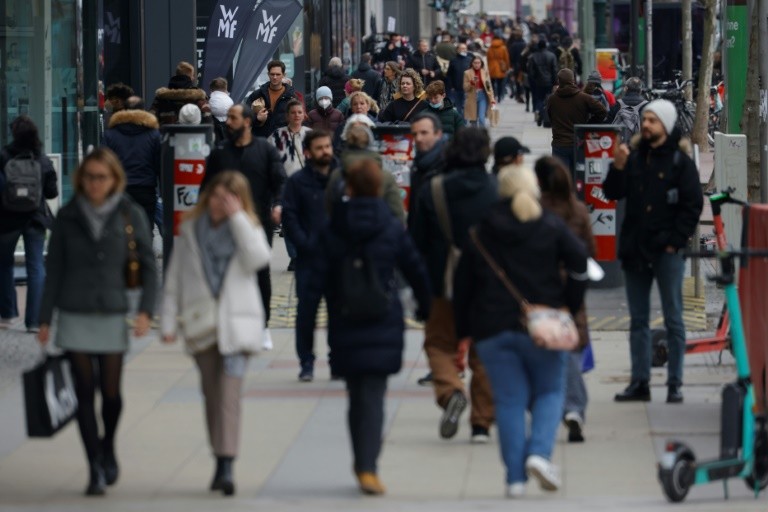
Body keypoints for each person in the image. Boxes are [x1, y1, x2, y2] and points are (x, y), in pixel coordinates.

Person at [453, 139, 588, 501]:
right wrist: (569, 306)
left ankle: (514, 479)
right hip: (544, 324)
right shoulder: (550, 225)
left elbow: (462, 285)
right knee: (549, 391)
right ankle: (540, 455)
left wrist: (463, 333)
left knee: (510, 402)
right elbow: (580, 264)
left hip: (493, 329)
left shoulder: (482, 229)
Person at [305, 157, 431, 496]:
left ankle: (361, 461)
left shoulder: (332, 229)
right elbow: (416, 269)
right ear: (377, 187)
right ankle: (368, 467)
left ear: (347, 188)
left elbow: (311, 287)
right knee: (373, 397)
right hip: (382, 319)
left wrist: (306, 343)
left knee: (355, 396)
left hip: (345, 319)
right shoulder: (390, 227)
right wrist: (426, 309)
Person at [37, 148, 157, 496]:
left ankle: (108, 447)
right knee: (84, 393)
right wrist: (44, 317)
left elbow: (148, 266)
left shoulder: (129, 213)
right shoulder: (68, 216)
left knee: (112, 394)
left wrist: (146, 311)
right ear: (81, 179)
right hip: (74, 312)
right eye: (89, 177)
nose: (94, 184)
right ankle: (94, 467)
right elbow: (54, 269)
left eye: (101, 177)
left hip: (113, 312)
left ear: (114, 179)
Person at [161, 171, 270, 497]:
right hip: (202, 325)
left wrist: (237, 217)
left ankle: (227, 464)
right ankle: (219, 454)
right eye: (216, 196)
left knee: (229, 396)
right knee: (212, 396)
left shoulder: (247, 228)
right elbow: (174, 278)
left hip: (237, 325)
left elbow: (259, 258)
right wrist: (167, 323)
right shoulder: (191, 229)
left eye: (227, 198)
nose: (219, 204)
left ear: (238, 200)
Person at [603, 99, 703, 404]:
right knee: (638, 320)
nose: (646, 125)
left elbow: (692, 204)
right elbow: (612, 192)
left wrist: (675, 240)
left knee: (673, 317)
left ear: (666, 125)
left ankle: (675, 383)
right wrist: (617, 167)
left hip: (666, 251)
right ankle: (640, 382)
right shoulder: (632, 158)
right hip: (635, 249)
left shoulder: (679, 162)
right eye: (645, 119)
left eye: (653, 120)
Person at [410, 127, 496, 443]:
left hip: (442, 283)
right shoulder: (497, 190)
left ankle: (450, 391)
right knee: (485, 353)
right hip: (487, 287)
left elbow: (416, 244)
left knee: (438, 344)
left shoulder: (432, 190)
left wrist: (418, 291)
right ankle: (482, 424)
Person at [203, 104, 287, 352]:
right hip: (224, 226)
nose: (228, 122)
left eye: (233, 118)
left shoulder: (265, 150)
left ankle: (263, 326)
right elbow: (207, 187)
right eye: (228, 117)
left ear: (248, 122)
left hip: (258, 224)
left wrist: (279, 205)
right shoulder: (220, 153)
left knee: (260, 273)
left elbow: (280, 181)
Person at [534, 156, 596, 443]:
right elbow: (590, 248)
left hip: (541, 285)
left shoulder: (535, 209)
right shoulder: (578, 209)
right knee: (569, 346)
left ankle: (547, 405)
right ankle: (574, 407)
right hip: (572, 284)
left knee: (541, 347)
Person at [282, 130, 337, 381]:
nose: (325, 151)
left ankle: (338, 360)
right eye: (319, 148)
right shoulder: (297, 182)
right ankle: (306, 362)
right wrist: (304, 244)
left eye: (327, 146)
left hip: (338, 259)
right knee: (306, 314)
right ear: (308, 152)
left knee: (340, 313)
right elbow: (289, 217)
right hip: (309, 259)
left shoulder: (343, 178)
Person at [0, 116, 58, 331]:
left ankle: (7, 314)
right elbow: (53, 193)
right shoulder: (42, 160)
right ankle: (34, 321)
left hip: (7, 220)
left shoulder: (4, 156)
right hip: (35, 219)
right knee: (36, 267)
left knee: (4, 265)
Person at [327, 123, 405, 224]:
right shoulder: (385, 176)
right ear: (371, 143)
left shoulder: (336, 175)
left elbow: (329, 211)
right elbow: (398, 215)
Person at [102, 102, 162, 232]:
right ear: (143, 110)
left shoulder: (111, 134)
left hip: (119, 189)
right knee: (145, 229)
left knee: (120, 229)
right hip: (146, 188)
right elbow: (159, 165)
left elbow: (105, 163)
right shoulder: (153, 135)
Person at [546, 69, 607, 172]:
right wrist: (588, 124)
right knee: (578, 177)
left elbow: (549, 117)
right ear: (573, 80)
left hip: (559, 144)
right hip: (578, 143)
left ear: (559, 81)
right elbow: (602, 111)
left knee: (561, 177)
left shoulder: (552, 99)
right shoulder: (583, 98)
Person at [246, 60, 298, 138]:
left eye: (278, 74)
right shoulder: (257, 94)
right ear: (268, 74)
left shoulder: (291, 96)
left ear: (284, 75)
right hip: (261, 140)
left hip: (282, 140)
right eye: (272, 74)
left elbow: (298, 118)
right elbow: (245, 116)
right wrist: (257, 119)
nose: (275, 77)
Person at [150, 61, 210, 126]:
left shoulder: (162, 96)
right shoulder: (198, 96)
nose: (193, 78)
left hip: (167, 134)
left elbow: (151, 118)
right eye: (193, 75)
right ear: (190, 77)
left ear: (177, 75)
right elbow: (207, 120)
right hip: (192, 134)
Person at [527, 39, 558, 125]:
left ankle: (538, 112)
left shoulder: (533, 56)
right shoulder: (551, 56)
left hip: (538, 82)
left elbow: (530, 71)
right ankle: (545, 116)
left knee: (539, 99)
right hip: (549, 82)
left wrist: (534, 79)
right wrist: (555, 82)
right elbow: (554, 70)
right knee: (548, 99)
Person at [463, 56, 496, 127]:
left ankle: (482, 134)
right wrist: (472, 83)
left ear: (481, 64)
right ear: (472, 63)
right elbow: (465, 88)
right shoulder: (467, 73)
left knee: (481, 118)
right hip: (471, 97)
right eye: (475, 63)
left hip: (482, 96)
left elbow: (488, 86)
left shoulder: (484, 72)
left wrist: (492, 98)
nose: (477, 65)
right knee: (473, 119)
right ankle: (475, 135)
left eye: (478, 63)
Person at [445, 43, 474, 116]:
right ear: (457, 50)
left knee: (465, 106)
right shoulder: (453, 60)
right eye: (462, 48)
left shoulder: (470, 60)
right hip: (457, 88)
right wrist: (451, 86)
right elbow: (449, 75)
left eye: (465, 48)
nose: (464, 50)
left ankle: (464, 123)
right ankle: (461, 123)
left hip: (467, 88)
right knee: (459, 107)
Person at [486, 33, 511, 103]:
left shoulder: (490, 48)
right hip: (501, 67)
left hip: (491, 67)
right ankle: (500, 96)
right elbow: (506, 59)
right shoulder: (503, 48)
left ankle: (493, 96)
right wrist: (507, 67)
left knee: (492, 83)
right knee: (500, 83)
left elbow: (488, 58)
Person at [209, 77, 234, 141]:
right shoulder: (230, 100)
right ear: (225, 88)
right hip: (228, 129)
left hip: (214, 128)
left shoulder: (211, 100)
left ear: (211, 89)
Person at [507, 30, 528, 103]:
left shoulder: (513, 45)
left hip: (516, 64)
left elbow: (511, 56)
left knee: (517, 80)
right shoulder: (525, 44)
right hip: (524, 65)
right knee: (523, 79)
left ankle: (519, 94)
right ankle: (522, 93)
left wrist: (511, 64)